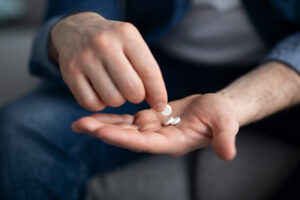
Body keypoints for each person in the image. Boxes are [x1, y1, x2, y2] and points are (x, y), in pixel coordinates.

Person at [0, 0, 300, 199]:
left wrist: (236, 102)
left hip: (278, 71)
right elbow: (76, 7)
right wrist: (71, 28)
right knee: (25, 128)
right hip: (153, 63)